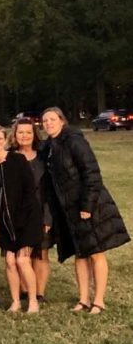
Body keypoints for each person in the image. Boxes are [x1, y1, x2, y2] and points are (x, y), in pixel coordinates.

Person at [40, 107, 129, 314]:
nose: (48, 124)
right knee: (80, 254)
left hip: (88, 205)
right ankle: (83, 299)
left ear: (62, 121)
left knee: (96, 252)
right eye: (45, 121)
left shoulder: (74, 141)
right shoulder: (49, 146)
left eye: (52, 119)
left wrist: (87, 206)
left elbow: (92, 173)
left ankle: (98, 300)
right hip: (68, 209)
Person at [0, 126, 42, 313]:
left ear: (6, 140)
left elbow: (29, 191)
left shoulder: (18, 159)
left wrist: (22, 220)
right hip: (5, 222)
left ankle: (33, 301)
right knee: (9, 261)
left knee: (23, 261)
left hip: (27, 219)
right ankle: (15, 301)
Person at [10, 117, 52, 303]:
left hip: (42, 210)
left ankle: (39, 292)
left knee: (40, 253)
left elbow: (50, 190)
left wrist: (48, 218)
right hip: (17, 214)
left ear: (34, 134)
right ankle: (25, 290)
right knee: (20, 254)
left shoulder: (44, 157)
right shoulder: (9, 157)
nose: (25, 135)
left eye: (28, 132)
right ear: (15, 135)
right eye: (21, 132)